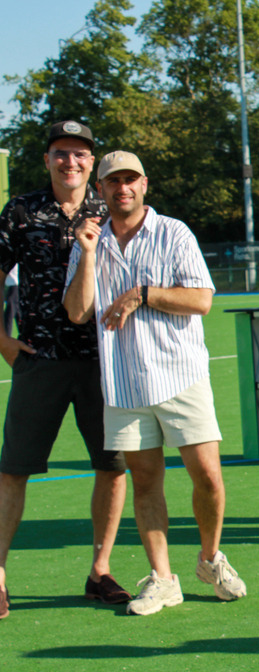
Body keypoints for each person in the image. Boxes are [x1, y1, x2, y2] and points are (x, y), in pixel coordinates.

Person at [64, 150, 247, 615]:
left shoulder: (173, 232)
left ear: (145, 184)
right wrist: (86, 254)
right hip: (124, 382)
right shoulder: (90, 240)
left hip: (180, 373)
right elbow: (77, 312)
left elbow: (202, 299)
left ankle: (210, 558)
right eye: (112, 182)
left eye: (130, 179)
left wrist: (142, 295)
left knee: (207, 475)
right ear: (100, 190)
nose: (121, 188)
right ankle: (163, 579)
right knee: (145, 482)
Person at [0, 121, 130, 620]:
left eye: (79, 154)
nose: (70, 162)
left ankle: (100, 572)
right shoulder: (21, 211)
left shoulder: (109, 208)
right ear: (48, 159)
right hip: (40, 360)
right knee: (13, 470)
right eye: (61, 153)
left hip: (104, 362)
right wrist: (4, 342)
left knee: (111, 468)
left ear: (91, 163)